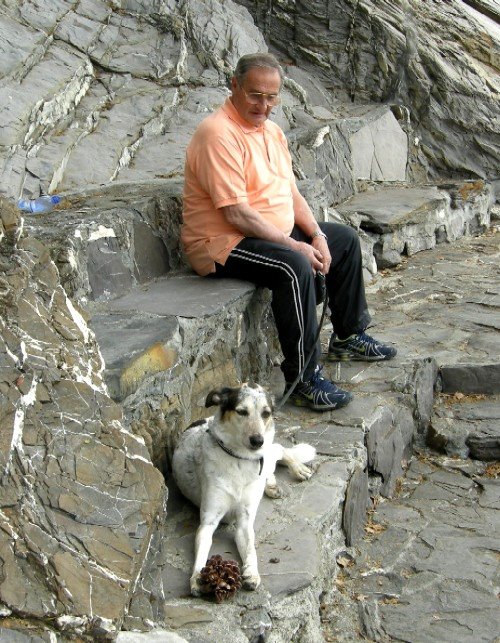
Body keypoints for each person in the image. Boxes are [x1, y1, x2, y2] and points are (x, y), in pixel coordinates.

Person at [181, 52, 396, 412]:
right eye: (254, 95)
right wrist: (294, 245)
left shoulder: (272, 132)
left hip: (266, 232)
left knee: (342, 239)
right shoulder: (217, 133)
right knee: (292, 267)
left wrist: (316, 236)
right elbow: (235, 212)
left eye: (271, 97)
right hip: (221, 243)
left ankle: (348, 335)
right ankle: (303, 378)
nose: (263, 105)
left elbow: (290, 192)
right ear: (234, 85)